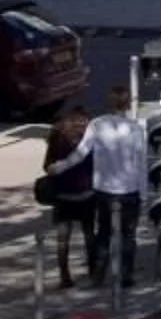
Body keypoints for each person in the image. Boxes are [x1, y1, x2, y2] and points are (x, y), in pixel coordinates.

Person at [45, 86, 148, 294]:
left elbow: (80, 154)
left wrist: (59, 167)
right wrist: (144, 193)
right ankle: (126, 276)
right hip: (129, 189)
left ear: (109, 103)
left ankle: (98, 276)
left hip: (105, 189)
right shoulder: (136, 129)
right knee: (128, 235)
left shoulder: (97, 125)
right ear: (128, 104)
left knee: (104, 233)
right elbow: (141, 164)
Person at [37, 104, 97, 289]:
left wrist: (55, 169)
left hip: (63, 195)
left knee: (63, 238)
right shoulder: (90, 138)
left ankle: (65, 276)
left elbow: (47, 165)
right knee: (89, 234)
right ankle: (93, 272)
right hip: (87, 193)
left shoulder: (57, 137)